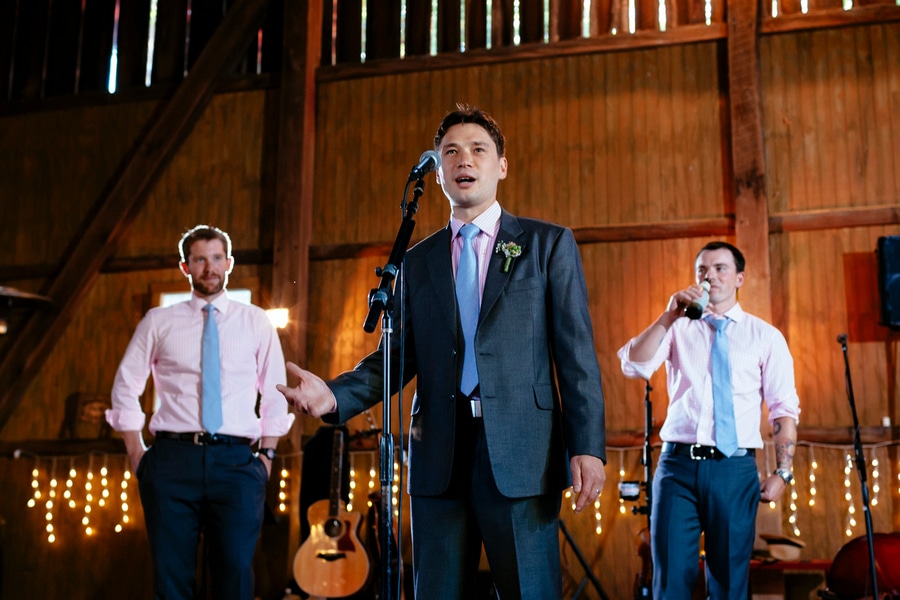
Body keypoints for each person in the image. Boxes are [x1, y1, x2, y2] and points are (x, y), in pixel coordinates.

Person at [277, 106, 607, 599]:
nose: (463, 159)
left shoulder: (546, 244)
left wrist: (588, 446)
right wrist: (334, 397)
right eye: (450, 152)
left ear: (501, 166)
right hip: (438, 455)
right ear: (437, 174)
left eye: (478, 149)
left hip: (523, 454)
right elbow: (396, 356)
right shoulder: (415, 260)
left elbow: (576, 354)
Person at [106, 224, 295, 600]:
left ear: (229, 263)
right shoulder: (158, 322)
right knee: (171, 584)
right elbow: (125, 387)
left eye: (216, 258)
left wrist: (267, 457)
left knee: (235, 582)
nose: (209, 267)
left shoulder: (256, 321)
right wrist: (137, 454)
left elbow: (276, 392)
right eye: (199, 260)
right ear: (185, 267)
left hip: (237, 465)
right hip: (171, 463)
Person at [617, 241, 800, 600]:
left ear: (739, 278)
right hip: (677, 468)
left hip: (734, 469)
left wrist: (784, 472)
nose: (710, 276)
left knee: (730, 585)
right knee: (669, 583)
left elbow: (783, 410)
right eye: (702, 269)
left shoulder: (765, 337)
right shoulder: (677, 328)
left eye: (720, 268)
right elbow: (633, 365)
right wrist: (668, 315)